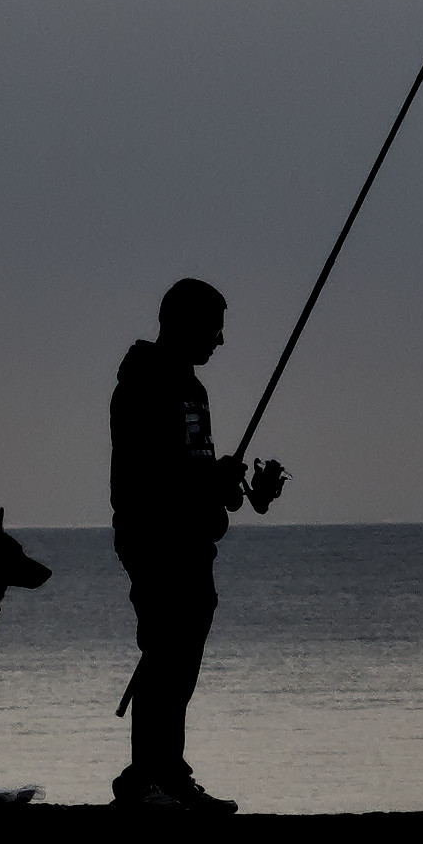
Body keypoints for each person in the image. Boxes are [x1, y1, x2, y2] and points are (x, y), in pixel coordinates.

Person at [109, 277, 284, 811]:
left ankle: (169, 773)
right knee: (164, 655)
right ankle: (145, 781)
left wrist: (239, 486)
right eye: (213, 329)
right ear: (182, 324)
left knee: (180, 661)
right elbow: (155, 474)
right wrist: (208, 482)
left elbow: (197, 472)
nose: (220, 342)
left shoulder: (191, 389)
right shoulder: (144, 384)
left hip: (191, 544)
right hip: (156, 540)